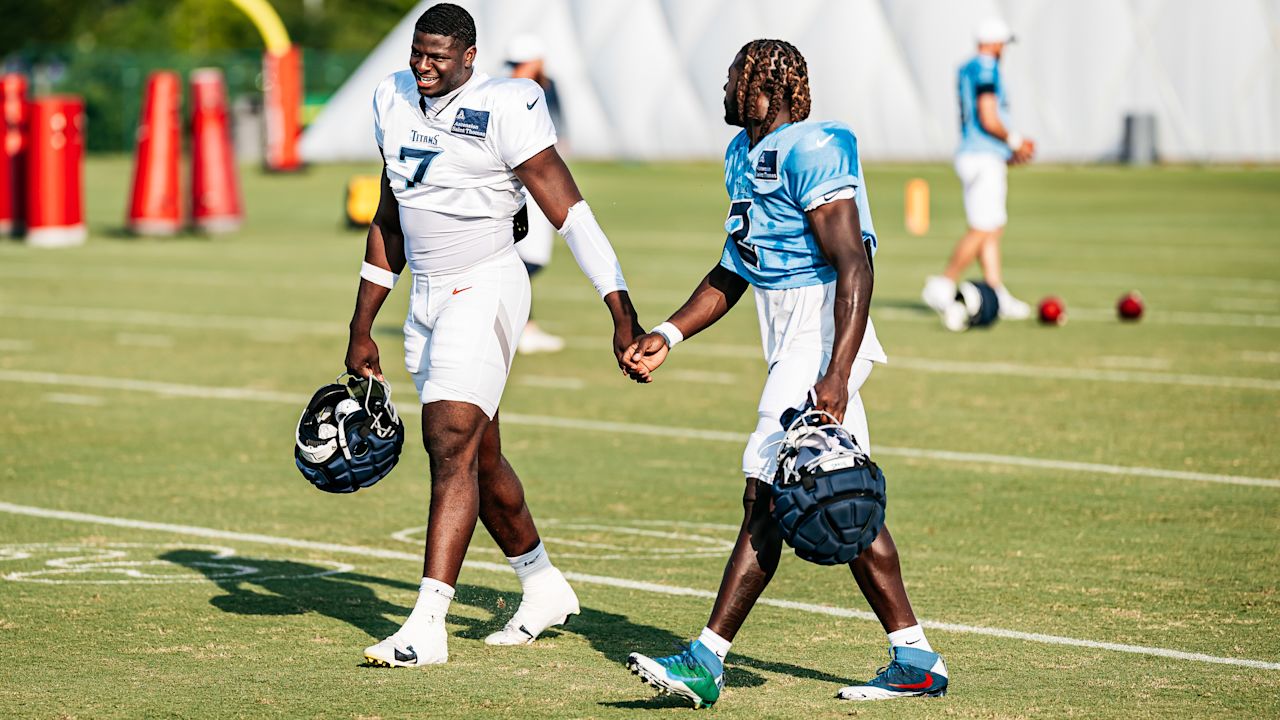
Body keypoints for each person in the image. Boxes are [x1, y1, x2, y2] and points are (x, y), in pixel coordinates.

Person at [622, 40, 948, 707]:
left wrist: (836, 371)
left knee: (768, 489)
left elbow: (854, 264)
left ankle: (705, 658)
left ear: (763, 83)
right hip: (789, 333)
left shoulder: (813, 146)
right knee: (834, 495)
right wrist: (669, 333)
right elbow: (734, 268)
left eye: (732, 76)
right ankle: (914, 655)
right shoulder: (741, 155)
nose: (723, 87)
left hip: (819, 333)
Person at [346, 2, 644, 667]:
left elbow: (571, 213)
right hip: (425, 293)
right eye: (417, 54)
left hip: (485, 283)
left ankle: (427, 625)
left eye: (438, 57)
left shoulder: (506, 106)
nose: (422, 67)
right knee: (478, 457)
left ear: (471, 58)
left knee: (447, 439)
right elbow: (389, 213)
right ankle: (542, 586)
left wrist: (619, 309)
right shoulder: (389, 99)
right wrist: (361, 324)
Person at [922, 17, 1036, 331]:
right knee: (984, 227)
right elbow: (988, 115)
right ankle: (943, 284)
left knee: (992, 226)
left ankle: (996, 291)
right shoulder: (986, 67)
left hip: (977, 153)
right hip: (982, 155)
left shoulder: (967, 67)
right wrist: (1014, 141)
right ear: (995, 42)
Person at [505, 33, 565, 354]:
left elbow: (558, 136)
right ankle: (520, 325)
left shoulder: (548, 88)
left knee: (532, 258)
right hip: (520, 183)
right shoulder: (507, 92)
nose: (517, 70)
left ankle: (522, 324)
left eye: (522, 63)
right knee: (523, 258)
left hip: (544, 180)